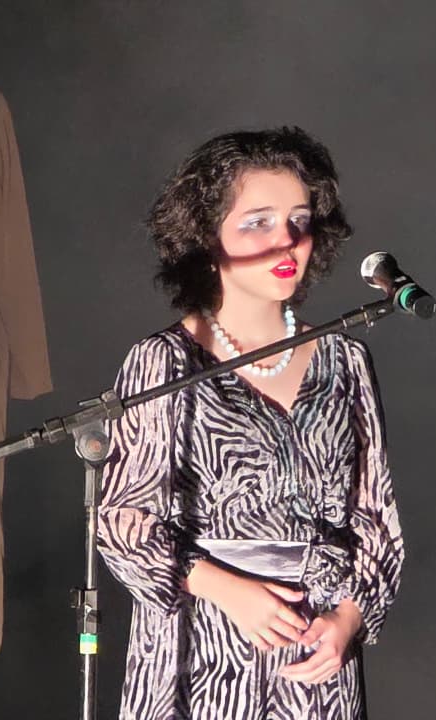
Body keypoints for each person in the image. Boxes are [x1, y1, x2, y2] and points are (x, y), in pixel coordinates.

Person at [95, 127, 405, 719]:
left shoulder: (345, 359)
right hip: (200, 647)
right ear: (205, 235)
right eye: (258, 222)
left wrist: (348, 619)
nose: (287, 241)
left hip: (315, 660)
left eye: (299, 220)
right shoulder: (164, 364)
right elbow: (123, 520)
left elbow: (376, 520)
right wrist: (227, 590)